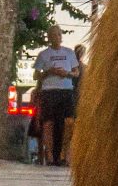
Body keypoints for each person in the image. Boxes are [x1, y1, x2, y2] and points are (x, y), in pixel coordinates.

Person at [31, 24, 81, 166]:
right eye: (53, 35)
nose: (56, 37)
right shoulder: (43, 55)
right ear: (49, 38)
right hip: (50, 91)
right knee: (49, 123)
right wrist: (49, 72)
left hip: (66, 90)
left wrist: (67, 74)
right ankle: (51, 154)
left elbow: (76, 72)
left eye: (58, 35)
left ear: (61, 36)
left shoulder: (69, 53)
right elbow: (36, 75)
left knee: (69, 121)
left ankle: (65, 153)